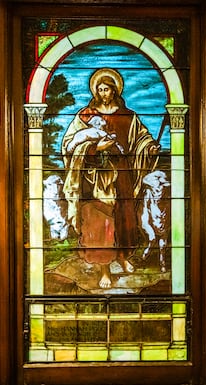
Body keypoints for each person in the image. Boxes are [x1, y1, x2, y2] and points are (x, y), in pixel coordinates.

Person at [62, 68, 161, 289]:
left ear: (115, 90)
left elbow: (141, 138)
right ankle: (104, 268)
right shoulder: (86, 115)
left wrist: (150, 147)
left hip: (122, 173)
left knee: (125, 217)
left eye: (108, 89)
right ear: (96, 90)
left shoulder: (127, 116)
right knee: (100, 222)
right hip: (95, 176)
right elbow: (70, 144)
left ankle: (123, 257)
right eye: (101, 89)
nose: (105, 93)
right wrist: (94, 148)